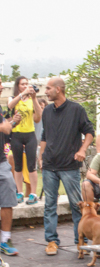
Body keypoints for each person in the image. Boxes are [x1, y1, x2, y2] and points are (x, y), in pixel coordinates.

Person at [40, 77, 94, 256]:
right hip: (49, 166)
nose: (45, 92)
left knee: (76, 205)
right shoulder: (47, 111)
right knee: (49, 205)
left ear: (58, 89)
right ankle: (52, 241)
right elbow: (44, 137)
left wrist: (83, 149)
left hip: (69, 166)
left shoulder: (76, 109)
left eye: (48, 88)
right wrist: (41, 158)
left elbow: (89, 132)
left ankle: (81, 241)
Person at [7, 76, 42, 206]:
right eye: (22, 84)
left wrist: (34, 98)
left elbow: (38, 118)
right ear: (18, 86)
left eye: (27, 84)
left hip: (30, 134)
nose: (25, 86)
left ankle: (33, 193)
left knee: (31, 165)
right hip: (16, 134)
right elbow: (10, 105)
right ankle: (19, 193)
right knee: (18, 165)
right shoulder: (14, 98)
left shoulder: (31, 100)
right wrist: (22, 94)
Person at [0, 99, 21, 255]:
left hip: (1, 162)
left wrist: (11, 123)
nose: (0, 87)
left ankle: (5, 240)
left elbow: (7, 129)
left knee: (8, 197)